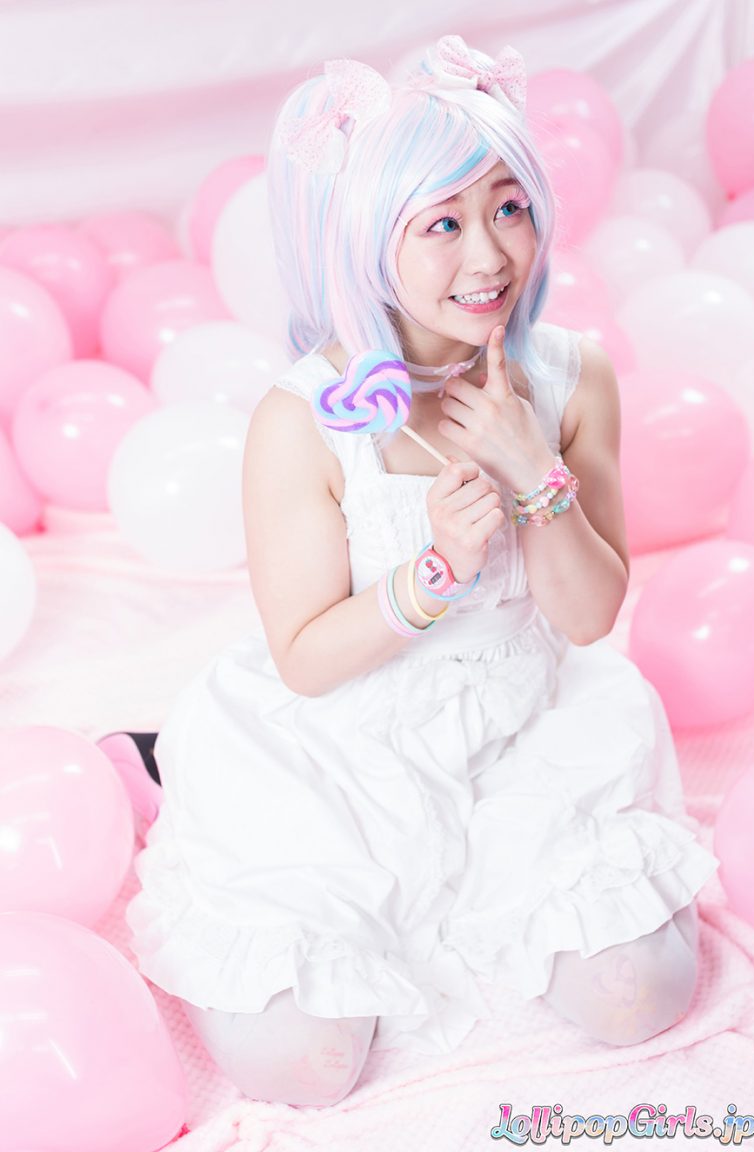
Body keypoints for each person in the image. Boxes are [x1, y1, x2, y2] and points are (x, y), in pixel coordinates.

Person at [123, 36, 717, 1108]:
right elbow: (306, 657)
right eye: (442, 223)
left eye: (509, 207)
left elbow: (589, 617)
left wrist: (537, 475)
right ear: (367, 239)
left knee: (641, 997)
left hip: (528, 724)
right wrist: (433, 574)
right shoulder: (305, 418)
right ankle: (154, 772)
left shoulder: (571, 376)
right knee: (305, 1065)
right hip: (343, 746)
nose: (489, 256)